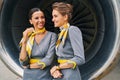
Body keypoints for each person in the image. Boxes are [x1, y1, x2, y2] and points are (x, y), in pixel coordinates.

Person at [19, 8, 57, 80]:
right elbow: (23, 61)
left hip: (45, 75)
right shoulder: (28, 37)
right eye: (36, 18)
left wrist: (29, 66)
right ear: (31, 21)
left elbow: (48, 60)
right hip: (28, 76)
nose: (40, 20)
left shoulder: (52, 36)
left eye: (42, 17)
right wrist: (24, 41)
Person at [50, 2, 85, 80]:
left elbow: (80, 59)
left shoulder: (72, 30)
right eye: (53, 16)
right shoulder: (60, 35)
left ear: (65, 17)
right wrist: (56, 69)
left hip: (70, 75)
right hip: (60, 74)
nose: (53, 19)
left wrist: (58, 67)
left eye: (55, 16)